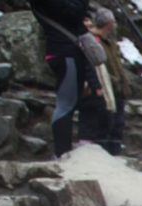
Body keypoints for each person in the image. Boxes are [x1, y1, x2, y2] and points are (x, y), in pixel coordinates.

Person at [28, 0, 94, 158]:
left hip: (67, 51)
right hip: (64, 52)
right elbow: (74, 13)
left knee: (70, 103)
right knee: (66, 104)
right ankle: (61, 153)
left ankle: (63, 150)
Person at [78, 8, 127, 155]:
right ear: (108, 24)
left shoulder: (110, 42)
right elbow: (97, 66)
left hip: (117, 88)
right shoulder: (93, 41)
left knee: (117, 124)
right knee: (103, 123)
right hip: (103, 86)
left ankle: (115, 153)